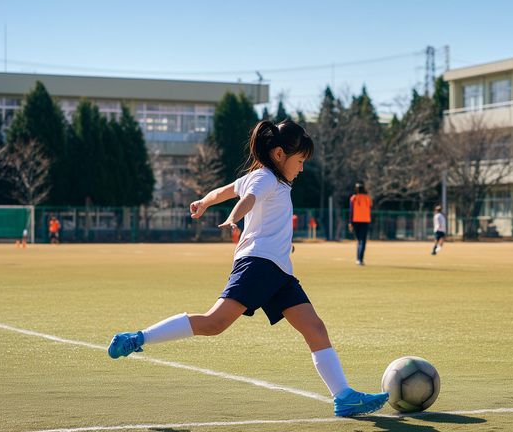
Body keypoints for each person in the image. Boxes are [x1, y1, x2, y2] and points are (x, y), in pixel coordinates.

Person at [107, 120, 388, 417]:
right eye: (300, 161)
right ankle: (137, 338)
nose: (302, 169)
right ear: (279, 154)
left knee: (314, 327)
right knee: (214, 323)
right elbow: (248, 199)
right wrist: (234, 217)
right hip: (258, 265)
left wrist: (203, 202)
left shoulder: (270, 180)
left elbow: (222, 191)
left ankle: (344, 396)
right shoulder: (265, 178)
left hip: (279, 271)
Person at [348, 182, 372, 266]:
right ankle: (360, 259)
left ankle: (358, 258)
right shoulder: (368, 198)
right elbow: (370, 207)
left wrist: (350, 222)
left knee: (359, 240)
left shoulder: (353, 198)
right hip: (365, 221)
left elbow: (351, 211)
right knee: (362, 240)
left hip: (356, 221)